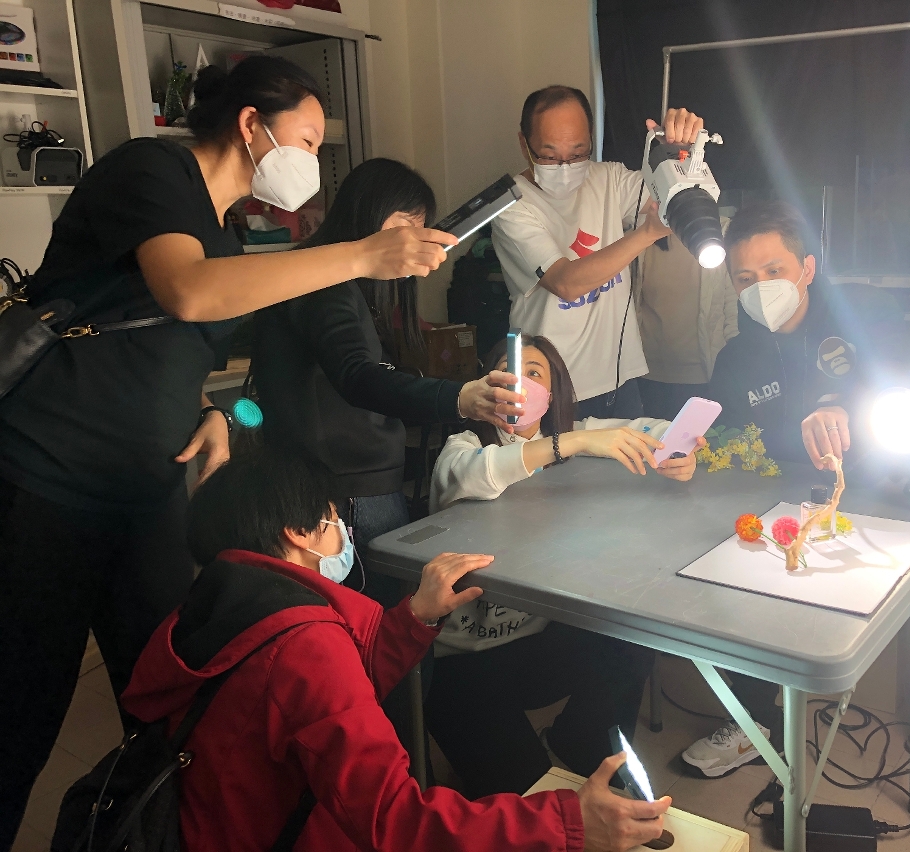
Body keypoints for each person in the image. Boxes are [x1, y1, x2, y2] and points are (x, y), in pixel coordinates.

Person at [0, 56, 459, 848]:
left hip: (147, 489)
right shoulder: (151, 171)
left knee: (174, 699)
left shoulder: (221, 232)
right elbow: (187, 293)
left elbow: (162, 350)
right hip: (51, 479)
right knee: (20, 713)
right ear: (251, 124)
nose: (311, 161)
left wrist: (210, 410)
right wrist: (360, 255)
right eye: (306, 141)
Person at [119, 448, 672, 852]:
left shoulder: (212, 606)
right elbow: (395, 822)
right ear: (298, 533)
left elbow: (314, 708)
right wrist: (566, 823)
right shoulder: (304, 646)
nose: (341, 531)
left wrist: (412, 621)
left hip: (205, 825)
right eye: (332, 518)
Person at [680, 201, 910, 800]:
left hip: (892, 490)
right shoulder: (736, 359)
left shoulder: (868, 322)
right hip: (790, 510)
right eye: (745, 279)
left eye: (774, 271)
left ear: (807, 268)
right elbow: (723, 439)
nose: (761, 289)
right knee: (726, 581)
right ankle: (752, 718)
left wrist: (844, 404)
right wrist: (694, 448)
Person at [252, 157, 524, 757]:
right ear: (367, 214)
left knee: (386, 644)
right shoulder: (326, 283)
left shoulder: (338, 285)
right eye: (405, 226)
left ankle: (394, 766)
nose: (414, 243)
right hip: (344, 497)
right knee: (381, 651)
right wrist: (459, 398)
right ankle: (388, 771)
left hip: (350, 487)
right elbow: (359, 376)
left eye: (422, 229)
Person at [426, 334, 702, 797]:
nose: (518, 381)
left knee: (633, 639)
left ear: (551, 396)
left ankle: (583, 741)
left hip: (540, 642)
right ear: (487, 385)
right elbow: (480, 472)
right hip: (463, 663)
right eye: (508, 369)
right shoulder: (465, 445)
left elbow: (654, 428)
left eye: (533, 373)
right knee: (532, 801)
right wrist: (575, 441)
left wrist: (679, 451)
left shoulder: (574, 435)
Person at [491, 85, 705, 419]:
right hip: (550, 387)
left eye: (578, 153)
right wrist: (647, 233)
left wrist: (680, 153)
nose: (565, 166)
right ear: (524, 144)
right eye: (550, 156)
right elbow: (566, 283)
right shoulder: (510, 205)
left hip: (620, 379)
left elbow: (675, 195)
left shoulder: (607, 179)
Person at [635, 235, 738, 420]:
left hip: (706, 374)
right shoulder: (642, 237)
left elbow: (732, 310)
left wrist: (735, 367)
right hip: (650, 376)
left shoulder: (720, 235)